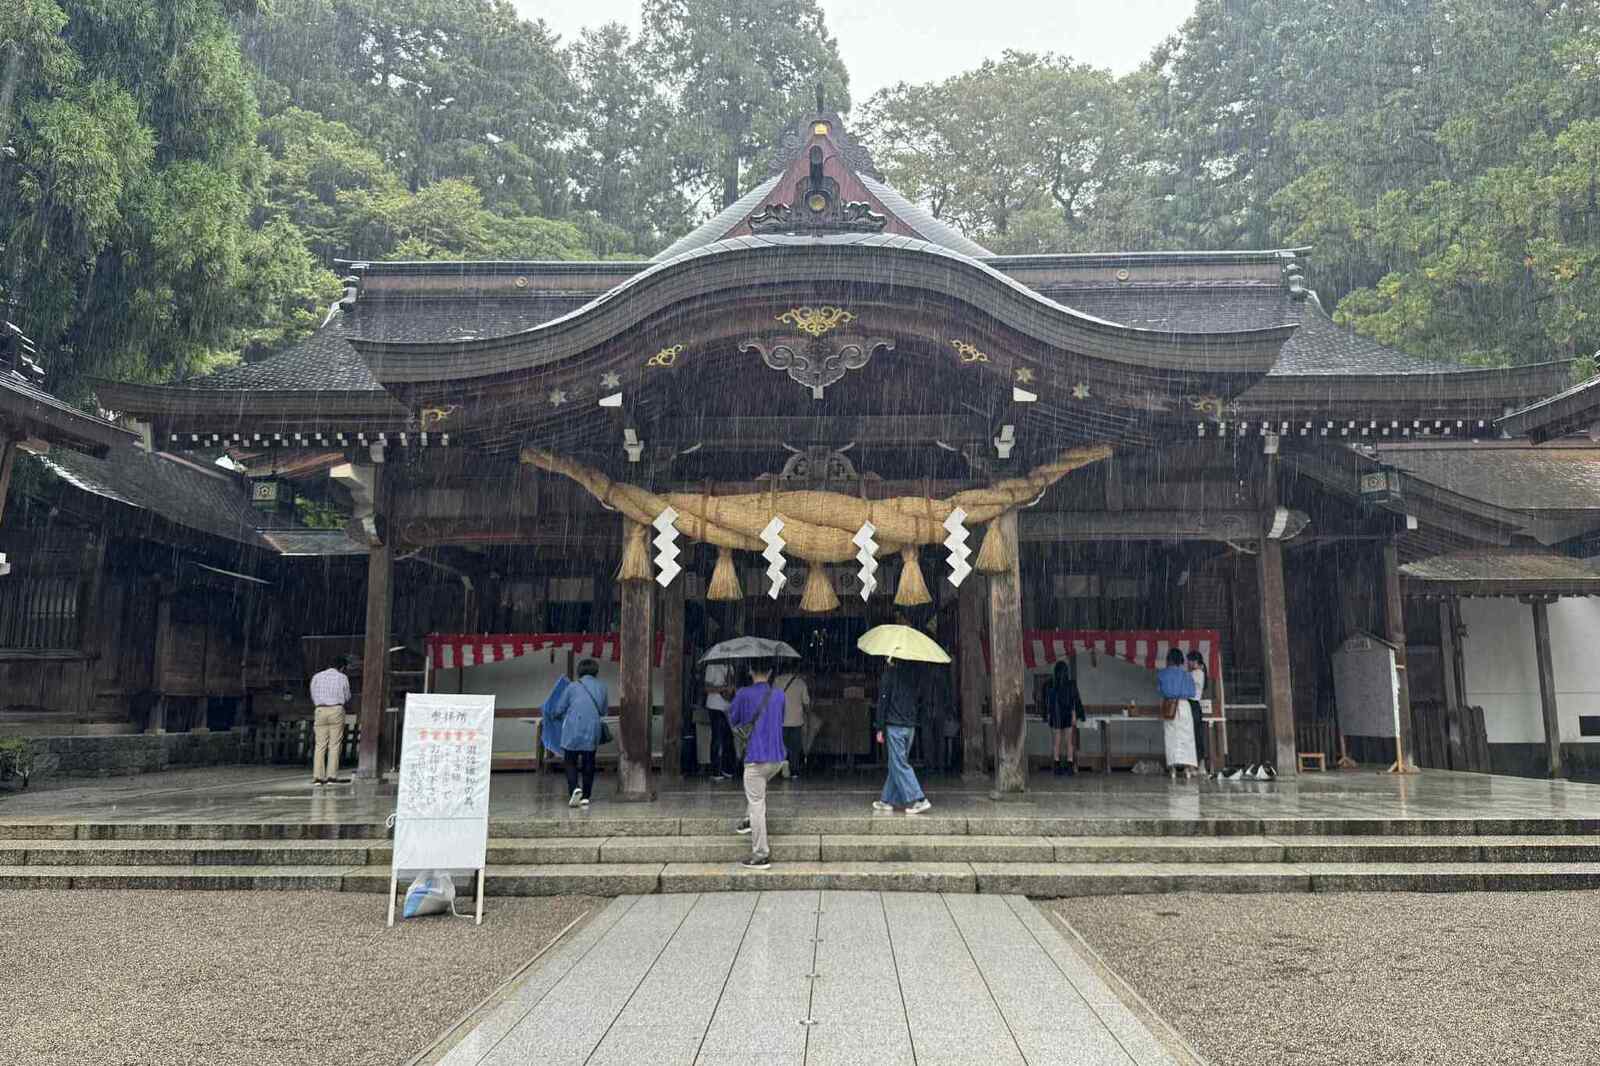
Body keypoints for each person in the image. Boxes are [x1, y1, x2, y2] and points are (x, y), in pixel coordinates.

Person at [727, 660, 787, 869]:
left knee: (757, 804)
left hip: (756, 756)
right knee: (757, 793)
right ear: (770, 672)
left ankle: (761, 854)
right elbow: (781, 719)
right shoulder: (779, 695)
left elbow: (733, 718)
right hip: (778, 757)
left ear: (751, 671)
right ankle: (746, 821)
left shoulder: (744, 693)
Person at [545, 658, 608, 807]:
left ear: (579, 671)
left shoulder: (572, 687)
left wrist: (554, 715)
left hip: (573, 728)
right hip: (592, 728)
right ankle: (586, 796)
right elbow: (604, 711)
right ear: (596, 671)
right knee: (589, 761)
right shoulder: (602, 687)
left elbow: (560, 708)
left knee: (570, 761)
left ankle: (574, 789)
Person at [874, 659, 931, 814]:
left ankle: (919, 799)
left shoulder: (889, 675)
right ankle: (886, 800)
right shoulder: (914, 676)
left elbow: (883, 703)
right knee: (896, 763)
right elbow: (919, 699)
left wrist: (879, 727)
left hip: (895, 726)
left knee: (899, 764)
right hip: (910, 726)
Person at [308, 655, 352, 786]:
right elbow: (347, 695)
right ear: (342, 667)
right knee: (334, 744)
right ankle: (331, 777)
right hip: (336, 710)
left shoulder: (317, 676)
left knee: (320, 745)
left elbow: (313, 694)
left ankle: (317, 777)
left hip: (320, 709)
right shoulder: (342, 677)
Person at [1156, 649, 1199, 780]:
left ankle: (1173, 769)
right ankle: (1187, 769)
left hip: (1169, 705)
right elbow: (1192, 692)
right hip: (1184, 705)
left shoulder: (1162, 674)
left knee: (1171, 737)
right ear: (1181, 660)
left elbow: (1160, 690)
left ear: (1169, 660)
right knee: (1187, 737)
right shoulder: (1187, 675)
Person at [1046, 659, 1086, 776]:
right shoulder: (1071, 684)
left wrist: (1046, 716)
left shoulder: (1050, 684)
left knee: (1056, 743)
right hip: (1068, 715)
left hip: (1056, 715)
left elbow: (1047, 703)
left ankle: (1057, 766)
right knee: (1069, 742)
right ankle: (1069, 766)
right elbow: (1076, 700)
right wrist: (1080, 714)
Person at [773, 664, 811, 779]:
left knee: (781, 746)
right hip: (796, 720)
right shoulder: (800, 683)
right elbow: (806, 703)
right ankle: (794, 771)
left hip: (781, 720)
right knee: (794, 748)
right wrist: (808, 715)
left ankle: (782, 770)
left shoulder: (777, 681)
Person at [704, 659, 737, 780]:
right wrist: (722, 689)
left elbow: (732, 686)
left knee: (728, 738)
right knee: (717, 738)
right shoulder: (711, 667)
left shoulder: (730, 666)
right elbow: (707, 688)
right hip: (714, 706)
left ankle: (727, 768)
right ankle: (715, 771)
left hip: (727, 707)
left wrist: (733, 690)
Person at [1186, 650, 1210, 772]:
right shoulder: (1200, 672)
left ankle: (1196, 765)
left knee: (1193, 735)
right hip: (1195, 706)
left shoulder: (1196, 673)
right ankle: (1199, 764)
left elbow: (1183, 681)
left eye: (1189, 660)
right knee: (1197, 735)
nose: (1187, 663)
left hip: (1192, 705)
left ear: (1194, 661)